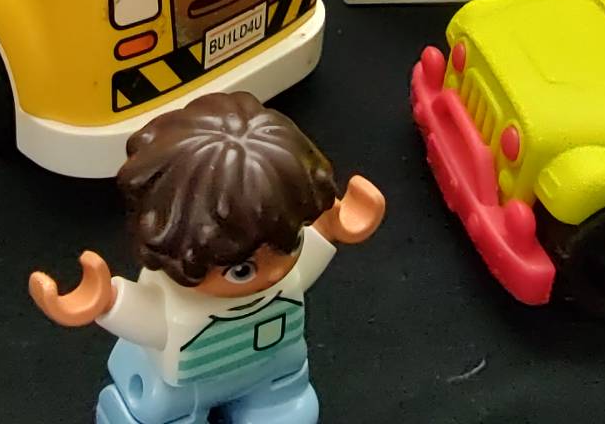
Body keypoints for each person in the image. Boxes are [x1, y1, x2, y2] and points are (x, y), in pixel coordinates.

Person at [30, 91, 386, 424]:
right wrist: (103, 302)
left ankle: (272, 407)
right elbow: (140, 314)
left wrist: (332, 227)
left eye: (291, 242)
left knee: (286, 406)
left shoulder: (284, 277)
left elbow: (311, 253)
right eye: (242, 269)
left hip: (274, 373)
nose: (274, 273)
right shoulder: (177, 310)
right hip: (184, 391)